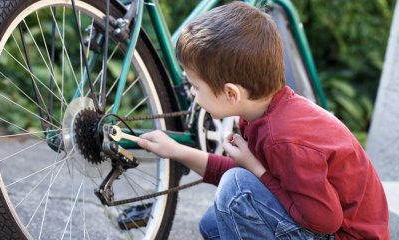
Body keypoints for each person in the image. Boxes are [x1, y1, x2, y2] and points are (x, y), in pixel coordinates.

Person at [136, 2, 390, 239]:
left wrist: (255, 168)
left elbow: (325, 221)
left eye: (195, 86)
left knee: (236, 191)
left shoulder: (282, 138)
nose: (192, 93)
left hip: (341, 233)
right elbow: (252, 176)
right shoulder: (268, 110)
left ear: (231, 93)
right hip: (325, 225)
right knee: (213, 225)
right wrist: (175, 150)